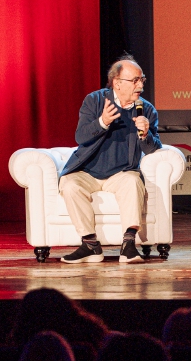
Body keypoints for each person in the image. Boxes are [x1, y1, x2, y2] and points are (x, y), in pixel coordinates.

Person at [59, 54, 162, 264]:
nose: (140, 85)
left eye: (142, 80)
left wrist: (145, 134)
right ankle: (90, 245)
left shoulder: (147, 109)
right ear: (117, 83)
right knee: (69, 184)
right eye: (135, 80)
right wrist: (102, 122)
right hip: (88, 171)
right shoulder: (95, 101)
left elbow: (153, 149)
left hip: (121, 173)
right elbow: (81, 137)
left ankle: (129, 244)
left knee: (133, 182)